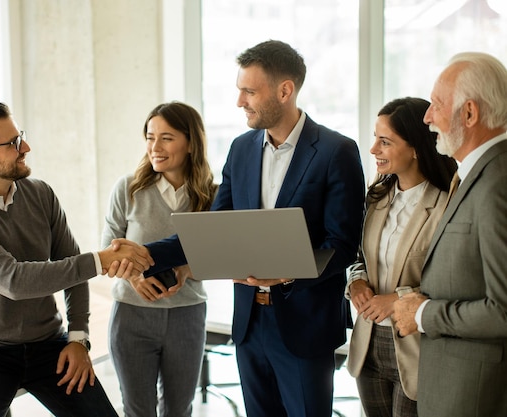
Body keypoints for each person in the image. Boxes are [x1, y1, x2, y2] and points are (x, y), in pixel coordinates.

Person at [113, 40, 365, 417]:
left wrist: (290, 273)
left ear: (285, 90)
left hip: (305, 323)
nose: (239, 101)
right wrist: (147, 255)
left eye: (249, 91)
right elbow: (213, 231)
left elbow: (342, 244)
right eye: (239, 90)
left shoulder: (336, 150)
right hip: (250, 323)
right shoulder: (240, 148)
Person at [0, 102, 153, 417]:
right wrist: (101, 260)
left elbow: (70, 266)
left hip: (48, 345)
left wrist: (78, 338)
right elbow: (14, 281)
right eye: (13, 144)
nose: (26, 147)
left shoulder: (40, 194)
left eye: (20, 137)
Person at [392, 52, 507, 417]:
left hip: (474, 397)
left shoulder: (498, 183)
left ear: (469, 113)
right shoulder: (475, 174)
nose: (427, 117)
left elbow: (503, 311)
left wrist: (424, 313)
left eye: (437, 105)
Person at [101, 101, 217, 417]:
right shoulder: (128, 189)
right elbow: (107, 255)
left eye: (166, 138)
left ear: (191, 142)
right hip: (132, 316)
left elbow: (220, 255)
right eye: (150, 137)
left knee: (179, 410)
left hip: (187, 316)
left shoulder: (211, 196)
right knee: (138, 411)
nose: (155, 147)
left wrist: (186, 269)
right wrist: (134, 276)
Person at [345, 97, 457, 417]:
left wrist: (396, 299)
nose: (373, 150)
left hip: (417, 348)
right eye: (375, 139)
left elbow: (453, 281)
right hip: (369, 344)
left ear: (416, 148)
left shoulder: (447, 205)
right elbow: (358, 256)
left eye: (385, 142)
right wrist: (356, 282)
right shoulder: (376, 197)